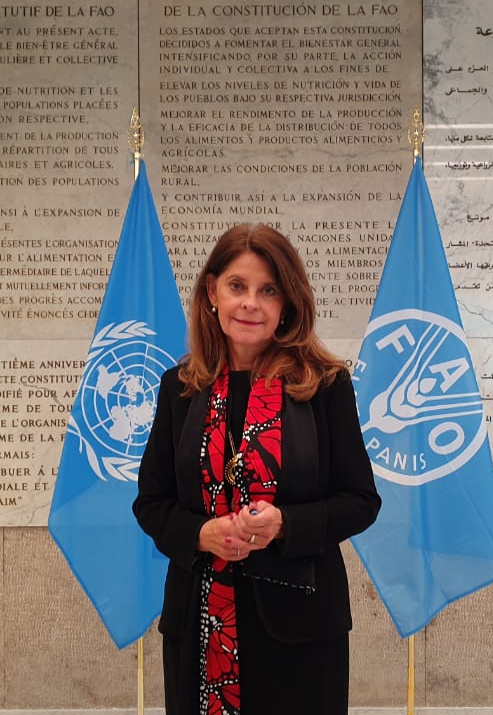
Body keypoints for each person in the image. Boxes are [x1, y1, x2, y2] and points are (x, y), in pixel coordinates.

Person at [134, 222, 381, 715]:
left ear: (288, 303)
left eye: (269, 290)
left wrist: (286, 524)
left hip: (302, 627)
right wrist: (201, 532)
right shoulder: (179, 387)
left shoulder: (325, 385)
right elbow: (151, 502)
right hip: (200, 619)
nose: (251, 303)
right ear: (212, 293)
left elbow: (360, 501)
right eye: (237, 286)